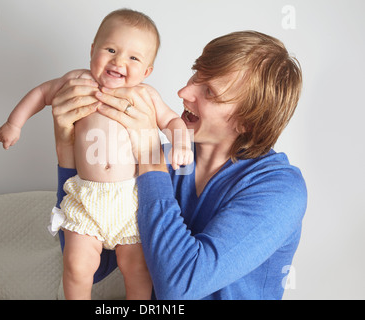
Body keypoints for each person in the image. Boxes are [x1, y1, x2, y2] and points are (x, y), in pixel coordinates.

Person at [51, 30, 307, 300]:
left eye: (209, 91)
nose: (183, 92)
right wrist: (66, 149)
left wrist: (149, 152)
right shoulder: (164, 162)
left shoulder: (280, 190)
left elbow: (180, 287)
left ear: (246, 123)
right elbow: (96, 266)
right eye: (197, 74)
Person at [0, 9, 192, 300]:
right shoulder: (77, 82)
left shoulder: (145, 95)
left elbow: (173, 121)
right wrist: (14, 123)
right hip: (85, 196)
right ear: (92, 50)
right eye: (110, 49)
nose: (118, 61)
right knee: (76, 265)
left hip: (131, 199)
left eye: (133, 58)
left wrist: (181, 144)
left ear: (147, 71)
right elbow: (40, 93)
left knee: (137, 269)